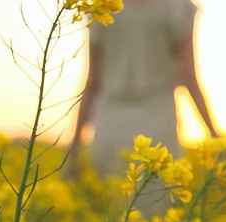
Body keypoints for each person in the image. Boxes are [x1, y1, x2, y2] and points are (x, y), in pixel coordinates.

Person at [64, 0, 218, 179]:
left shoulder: (101, 5)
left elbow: (92, 84)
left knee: (111, 202)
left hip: (110, 123)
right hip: (158, 127)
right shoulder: (177, 7)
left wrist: (73, 152)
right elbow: (189, 78)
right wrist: (215, 139)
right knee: (157, 201)